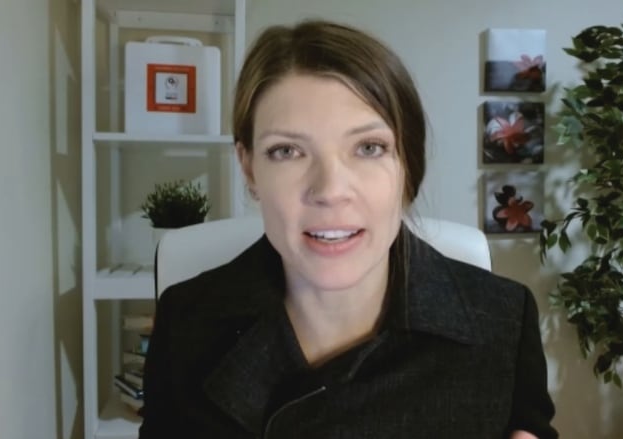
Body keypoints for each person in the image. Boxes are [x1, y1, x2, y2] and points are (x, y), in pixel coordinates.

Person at [136, 18, 558, 438]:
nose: (331, 190)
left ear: (407, 164)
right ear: (249, 168)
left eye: (369, 148)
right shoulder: (185, 323)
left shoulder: (503, 322)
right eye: (287, 151)